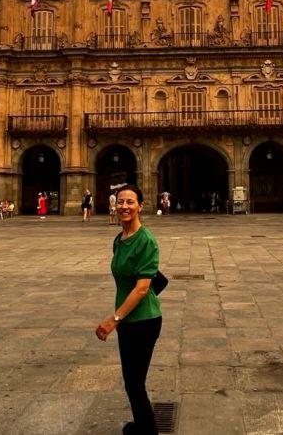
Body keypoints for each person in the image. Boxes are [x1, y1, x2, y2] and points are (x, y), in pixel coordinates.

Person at [95, 184, 162, 435]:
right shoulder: (119, 239)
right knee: (131, 382)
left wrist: (113, 319)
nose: (124, 206)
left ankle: (148, 431)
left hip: (144, 319)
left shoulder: (146, 240)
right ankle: (142, 426)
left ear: (140, 206)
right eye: (120, 202)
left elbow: (142, 288)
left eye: (130, 202)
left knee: (135, 384)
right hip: (128, 318)